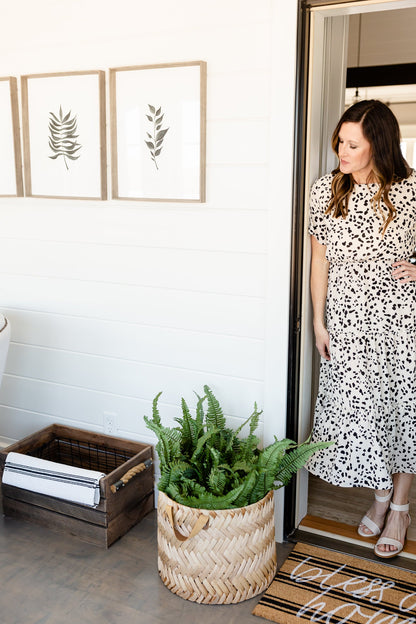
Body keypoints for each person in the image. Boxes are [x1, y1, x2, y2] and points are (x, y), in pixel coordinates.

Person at [306, 99, 416, 558]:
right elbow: (319, 260)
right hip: (347, 321)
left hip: (398, 319)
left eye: (353, 145)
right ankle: (380, 496)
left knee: (401, 412)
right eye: (340, 143)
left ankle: (401, 508)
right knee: (362, 413)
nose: (342, 153)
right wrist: (318, 320)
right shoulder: (324, 191)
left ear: (380, 146)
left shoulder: (410, 191)